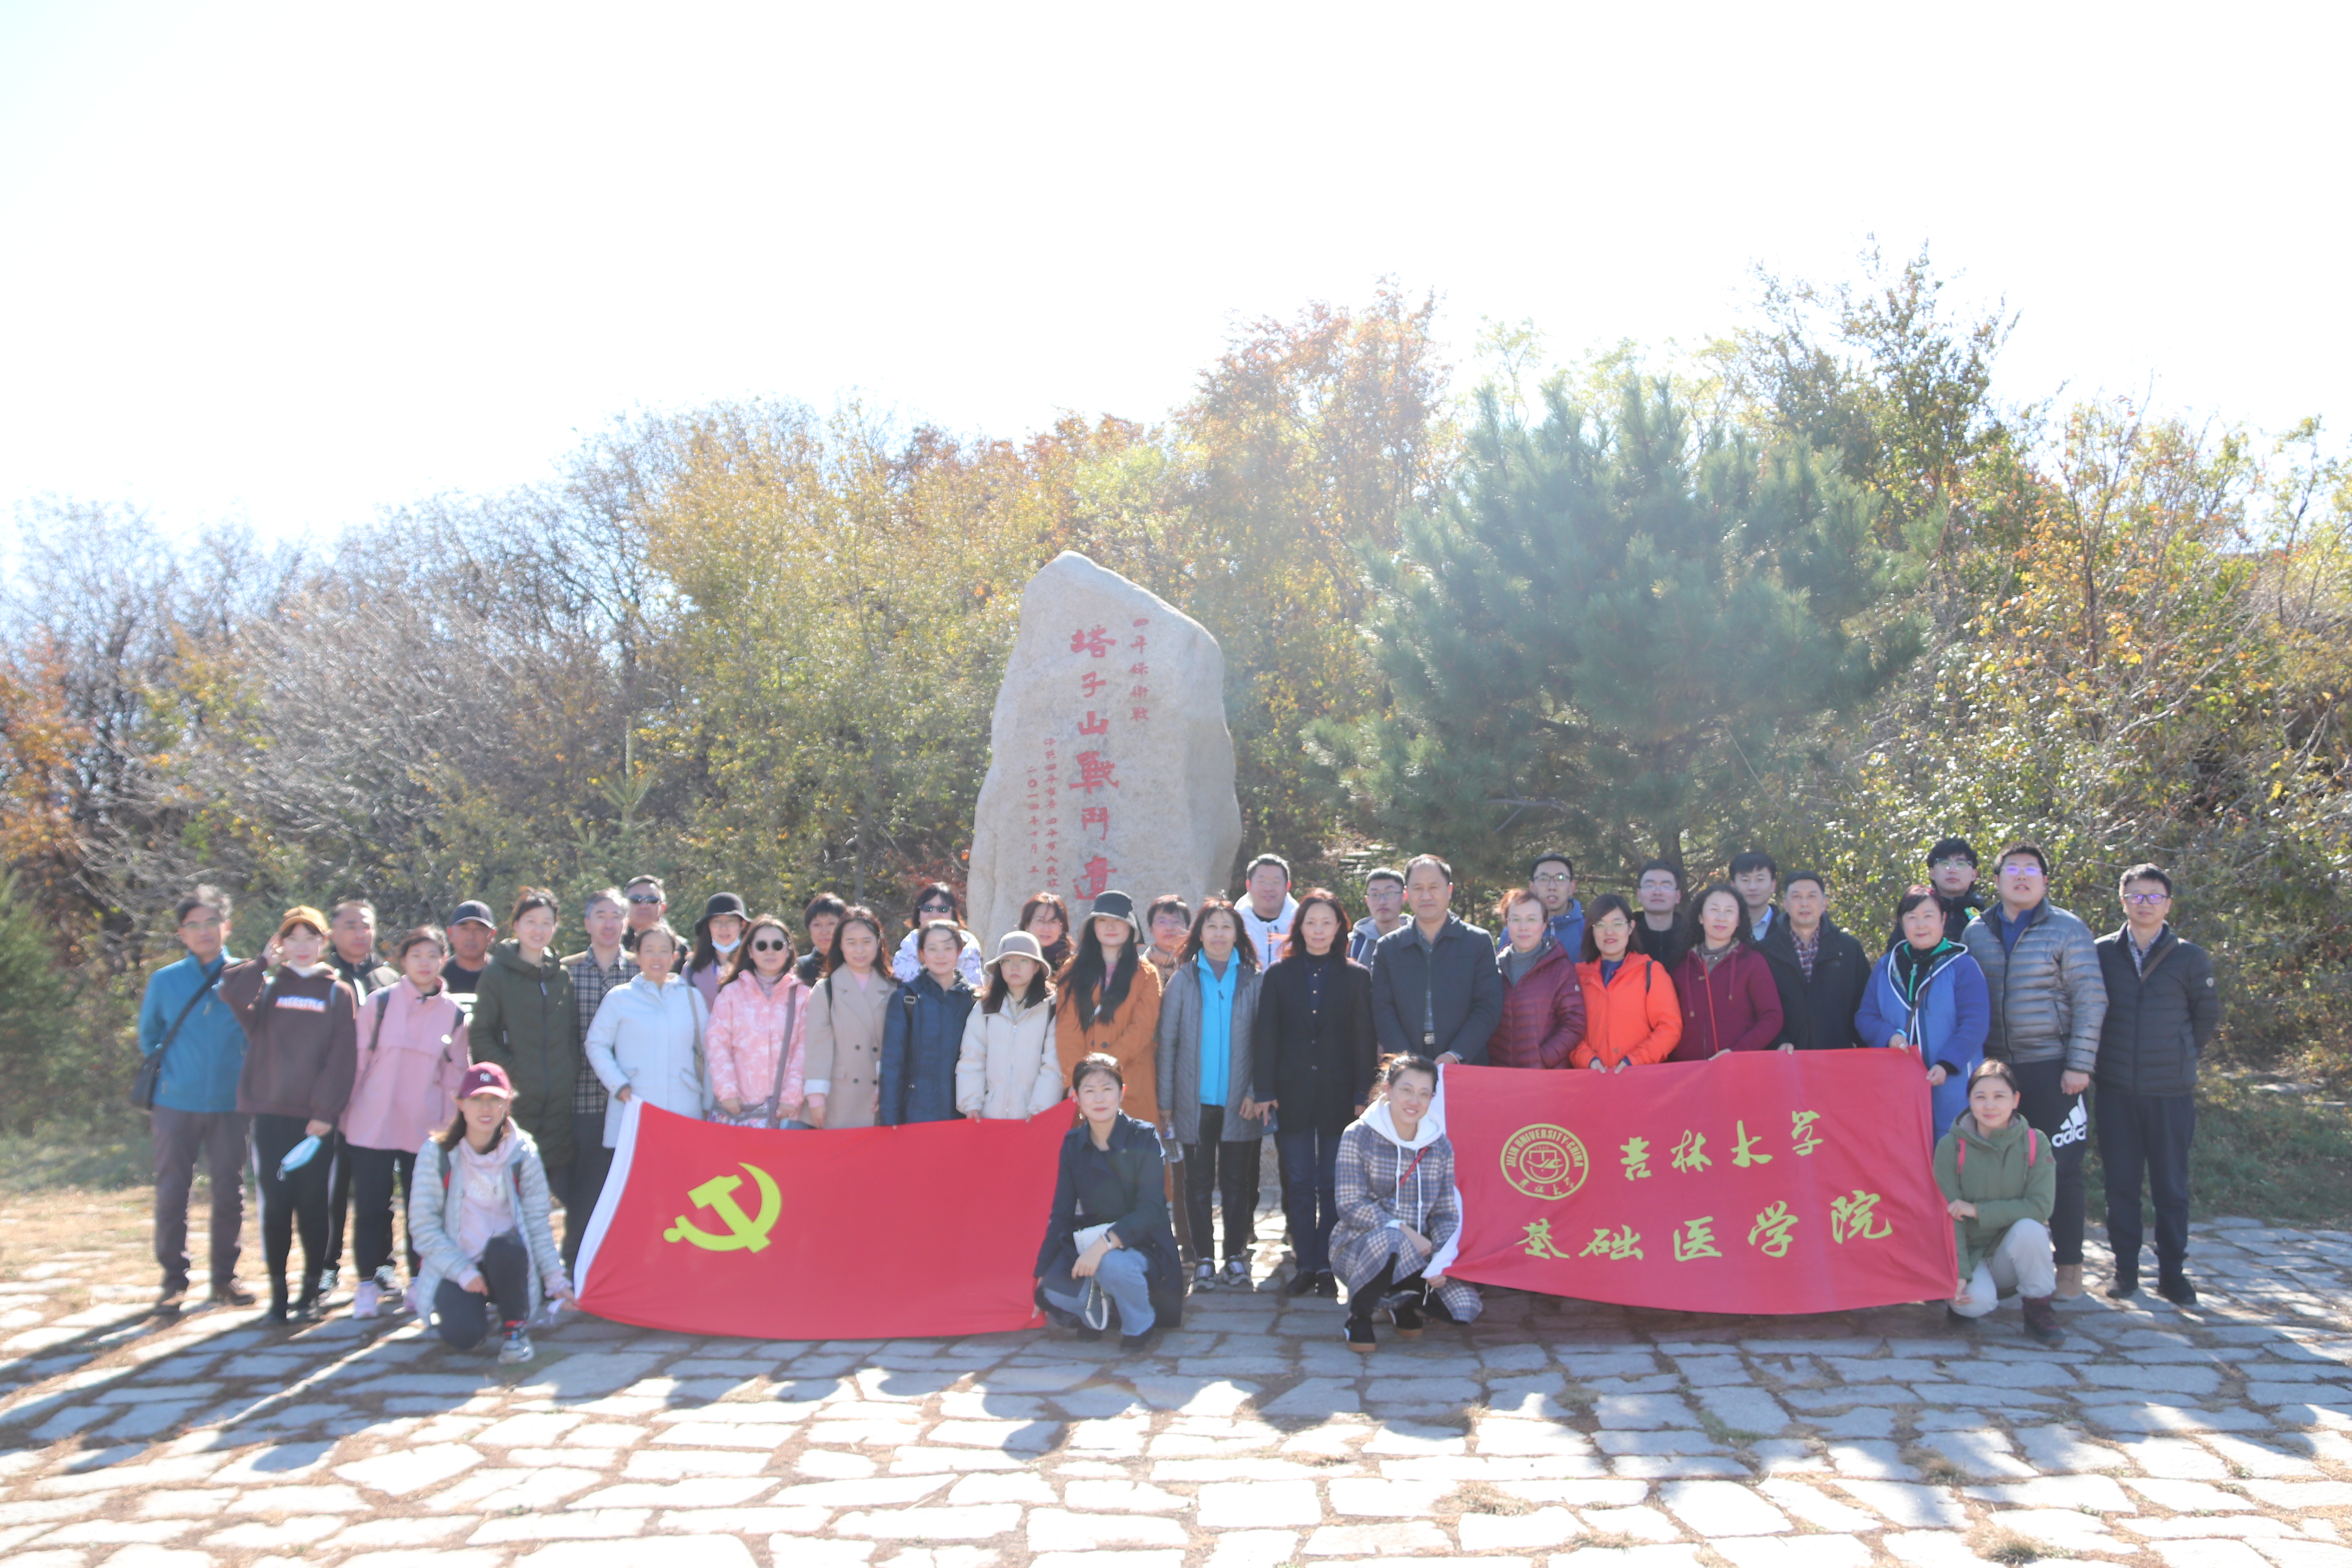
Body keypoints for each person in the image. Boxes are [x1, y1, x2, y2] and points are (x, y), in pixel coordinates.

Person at [1961, 842, 2107, 1299]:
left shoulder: (2067, 928)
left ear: (2045, 880)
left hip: (2054, 1067)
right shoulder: (1976, 931)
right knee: (1996, 1170)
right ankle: (2002, 1264)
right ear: (1996, 879)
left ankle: (2069, 1267)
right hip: (1997, 1072)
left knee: (2061, 1170)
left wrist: (2079, 1065)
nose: (2021, 876)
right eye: (2012, 869)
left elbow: (2091, 999)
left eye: (2031, 869)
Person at [222, 906, 359, 1322]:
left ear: (323, 943)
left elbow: (342, 1057)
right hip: (270, 1115)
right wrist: (262, 961)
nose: (302, 947)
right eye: (292, 938)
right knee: (276, 1208)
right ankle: (279, 1298)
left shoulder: (338, 993)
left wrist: (326, 1112)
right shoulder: (267, 989)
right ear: (281, 943)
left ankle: (310, 1294)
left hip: (315, 1121)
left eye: (310, 938)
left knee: (314, 1206)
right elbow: (230, 992)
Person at [2093, 864, 2222, 1305]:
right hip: (2115, 1089)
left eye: (2154, 897)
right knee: (2121, 1187)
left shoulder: (2189, 957)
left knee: (2171, 1189)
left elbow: (2205, 1017)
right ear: (2122, 901)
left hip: (2170, 1092)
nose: (2144, 904)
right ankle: (2125, 1271)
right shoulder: (2102, 952)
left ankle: (2172, 1274)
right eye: (2136, 896)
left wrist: (2181, 1054)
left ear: (2168, 904)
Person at [1255, 889, 1378, 1298]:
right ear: (1300, 927)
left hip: (1339, 1094)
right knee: (1299, 1181)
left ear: (1339, 927)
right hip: (1290, 1092)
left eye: (1327, 922)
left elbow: (1363, 1038)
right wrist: (1264, 1088)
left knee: (1331, 1183)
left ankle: (1327, 1264)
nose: (1319, 930)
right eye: (1311, 922)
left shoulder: (1356, 975)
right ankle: (1305, 1263)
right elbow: (1266, 1034)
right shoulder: (1279, 974)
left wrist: (1363, 1092)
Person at [342, 926, 470, 1319]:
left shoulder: (454, 1015)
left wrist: (451, 1128)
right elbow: (357, 1062)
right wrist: (342, 1113)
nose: (425, 963)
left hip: (425, 1128)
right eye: (417, 956)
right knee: (371, 1208)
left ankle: (420, 1284)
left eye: (432, 956)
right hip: (372, 1122)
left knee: (424, 1212)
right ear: (403, 961)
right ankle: (368, 1284)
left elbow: (455, 1076)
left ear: (443, 960)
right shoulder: (379, 1003)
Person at [410, 1062, 573, 1364]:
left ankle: (515, 1329)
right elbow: (423, 1227)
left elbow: (537, 1221)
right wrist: (462, 1271)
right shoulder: (436, 1154)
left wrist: (555, 1279)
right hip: (459, 1264)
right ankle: (472, 1315)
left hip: (508, 1261)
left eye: (494, 1099)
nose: (485, 1109)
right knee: (464, 1337)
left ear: (507, 1103)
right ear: (460, 1103)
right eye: (476, 1099)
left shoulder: (523, 1152)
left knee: (505, 1246)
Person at [139, 885, 253, 1309]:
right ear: (181, 933)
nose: (204, 931)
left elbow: (264, 1033)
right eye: (194, 924)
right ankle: (173, 1280)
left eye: (212, 922)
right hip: (175, 1103)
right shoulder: (165, 980)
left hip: (231, 1103)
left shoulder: (247, 975)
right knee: (173, 1190)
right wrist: (175, 1074)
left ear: (227, 926)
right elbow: (149, 1036)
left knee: (229, 1191)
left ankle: (226, 1277)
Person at [1331, 1054, 1482, 1352]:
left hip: (1419, 1253)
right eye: (1406, 1090)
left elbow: (1445, 1213)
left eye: (1424, 1094)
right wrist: (1403, 1230)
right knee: (1392, 1240)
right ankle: (1359, 1316)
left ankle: (1401, 1303)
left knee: (1465, 1308)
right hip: (1360, 1246)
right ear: (1388, 1089)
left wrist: (1441, 1260)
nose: (1414, 1101)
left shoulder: (1440, 1145)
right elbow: (1350, 1204)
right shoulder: (1359, 1135)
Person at [1035, 1054, 1183, 1350]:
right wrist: (1042, 1272)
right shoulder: (1072, 1144)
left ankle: (1139, 1323)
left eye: (1107, 1089)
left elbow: (1152, 1209)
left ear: (1122, 1092)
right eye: (1089, 1091)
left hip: (1144, 1242)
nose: (1099, 1098)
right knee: (1049, 1292)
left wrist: (1103, 1245)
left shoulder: (1144, 1137)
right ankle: (1100, 1312)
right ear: (1076, 1097)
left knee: (1112, 1265)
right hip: (1093, 1239)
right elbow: (1061, 1213)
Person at [1155, 899, 1266, 1289]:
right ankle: (1203, 1257)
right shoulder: (1183, 980)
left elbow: (1265, 1043)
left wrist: (1256, 1091)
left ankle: (1235, 1256)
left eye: (1226, 927)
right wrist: (1166, 1102)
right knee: (1197, 1183)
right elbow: (1167, 1044)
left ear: (1238, 934)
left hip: (1241, 1102)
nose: (1219, 934)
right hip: (1193, 1102)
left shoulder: (1254, 980)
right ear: (1199, 934)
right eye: (1212, 926)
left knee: (1238, 1183)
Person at [469, 888, 579, 1243]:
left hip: (559, 1110)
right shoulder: (497, 974)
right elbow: (481, 1034)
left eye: (546, 922)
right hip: (517, 1107)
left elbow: (572, 1035)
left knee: (564, 1205)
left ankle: (560, 1271)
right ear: (515, 925)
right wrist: (512, 1074)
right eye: (531, 921)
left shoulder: (562, 976)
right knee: (510, 1206)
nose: (538, 929)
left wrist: (566, 1074)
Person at [1936, 1061, 2062, 1346]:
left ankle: (2039, 1308)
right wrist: (1959, 1272)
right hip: (1969, 1251)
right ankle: (1960, 1299)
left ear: (2016, 1100)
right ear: (1969, 1101)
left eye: (1999, 1096)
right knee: (1975, 1304)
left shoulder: (2035, 1142)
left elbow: (2040, 1206)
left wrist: (1977, 1211)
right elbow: (1946, 1214)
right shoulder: (1950, 1146)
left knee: (2032, 1230)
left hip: (2010, 1250)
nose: (1990, 1105)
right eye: (1980, 1097)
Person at [1857, 888, 1990, 1142]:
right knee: (1904, 1152)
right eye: (1912, 917)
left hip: (1954, 1084)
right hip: (1899, 1087)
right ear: (1901, 922)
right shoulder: (1887, 966)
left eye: (1929, 916)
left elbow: (1975, 1024)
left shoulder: (1962, 965)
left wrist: (1947, 1064)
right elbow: (1866, 1016)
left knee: (1954, 1151)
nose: (1921, 925)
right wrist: (1888, 1036)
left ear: (1943, 919)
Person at [558, 888, 633, 1269]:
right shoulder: (565, 971)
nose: (609, 923)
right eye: (601, 915)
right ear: (587, 923)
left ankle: (623, 1265)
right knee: (584, 1192)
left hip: (632, 1101)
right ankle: (577, 1265)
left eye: (616, 915)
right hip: (582, 1098)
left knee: (629, 1190)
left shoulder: (641, 969)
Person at [1370, 855, 1504, 1067]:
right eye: (1418, 888)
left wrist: (1457, 1054)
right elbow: (1382, 1010)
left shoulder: (1477, 942)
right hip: (1405, 1065)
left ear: (1449, 890)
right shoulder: (1388, 948)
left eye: (1434, 887)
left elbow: (1488, 1006)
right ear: (1407, 894)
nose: (1426, 896)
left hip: (1465, 1063)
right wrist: (1405, 1059)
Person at [585, 923, 711, 1140]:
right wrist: (618, 1084)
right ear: (638, 956)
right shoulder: (619, 998)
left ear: (674, 957)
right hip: (634, 1105)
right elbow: (596, 1044)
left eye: (664, 951)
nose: (656, 957)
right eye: (649, 950)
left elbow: (709, 1052)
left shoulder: (692, 998)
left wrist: (708, 1104)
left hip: (684, 1108)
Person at [1054, 891, 1167, 1124]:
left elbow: (1142, 1029)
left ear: (1131, 927)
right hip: (1083, 1086)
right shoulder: (1072, 969)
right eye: (1103, 920)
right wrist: (1078, 1078)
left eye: (1118, 921)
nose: (1110, 927)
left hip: (1131, 1080)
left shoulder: (1147, 973)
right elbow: (1067, 1029)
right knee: (1085, 1145)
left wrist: (1104, 1071)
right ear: (1093, 926)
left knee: (1133, 1145)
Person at [706, 914, 811, 1128]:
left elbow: (806, 1049)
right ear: (750, 951)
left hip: (787, 1114)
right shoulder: (731, 994)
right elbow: (717, 1043)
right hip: (738, 1112)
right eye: (762, 946)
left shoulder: (805, 996)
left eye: (777, 945)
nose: (770, 951)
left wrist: (791, 1097)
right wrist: (727, 1092)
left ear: (788, 950)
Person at [956, 932, 1064, 1120]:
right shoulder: (985, 1007)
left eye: (1024, 961)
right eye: (1007, 961)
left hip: (1034, 1118)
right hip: (988, 1116)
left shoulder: (1052, 1009)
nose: (1015, 967)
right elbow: (972, 1058)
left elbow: (1053, 1065)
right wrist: (971, 1103)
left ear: (1036, 967)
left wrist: (1039, 1109)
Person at [1668, 883, 1783, 1060]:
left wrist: (1738, 1052)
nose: (1721, 918)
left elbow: (1772, 1017)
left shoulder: (1752, 962)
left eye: (1729, 911)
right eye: (1714, 910)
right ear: (1701, 917)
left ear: (1738, 921)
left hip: (1738, 1067)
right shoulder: (1681, 966)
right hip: (1688, 1070)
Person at [880, 921, 979, 1125]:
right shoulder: (906, 998)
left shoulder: (974, 1000)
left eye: (948, 948)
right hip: (915, 1112)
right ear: (922, 954)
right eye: (932, 949)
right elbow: (892, 1063)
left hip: (962, 1112)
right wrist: (889, 1117)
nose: (940, 955)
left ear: (959, 952)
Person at [1757, 872, 1868, 1052]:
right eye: (1796, 897)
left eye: (1812, 896)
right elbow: (1758, 1009)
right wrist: (1778, 1042)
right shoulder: (1765, 951)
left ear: (1824, 903)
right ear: (1785, 904)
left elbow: (1865, 1005)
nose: (1804, 903)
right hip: (1785, 1057)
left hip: (1838, 1056)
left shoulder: (1848, 949)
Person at [803, 906, 893, 1129]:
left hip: (879, 1095)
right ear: (840, 945)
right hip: (838, 1096)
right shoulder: (826, 989)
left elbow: (896, 1047)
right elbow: (817, 1047)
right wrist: (816, 1097)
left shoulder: (894, 989)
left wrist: (889, 1086)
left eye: (866, 941)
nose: (859, 950)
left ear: (878, 943)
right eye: (851, 942)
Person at [1573, 894, 1682, 1071]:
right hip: (1590, 1078)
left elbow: (1670, 1028)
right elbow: (1567, 1028)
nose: (1609, 932)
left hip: (1638, 1077)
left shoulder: (1651, 972)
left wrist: (1635, 1061)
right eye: (1600, 924)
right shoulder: (1577, 976)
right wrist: (1586, 1060)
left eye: (1617, 924)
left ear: (1631, 927)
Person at [1489, 889, 1586, 1070]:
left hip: (1546, 1076)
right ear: (1507, 923)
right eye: (1516, 919)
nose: (1523, 927)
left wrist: (1543, 1058)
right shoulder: (1494, 968)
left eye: (1532, 919)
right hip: (1501, 1076)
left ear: (1544, 924)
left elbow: (1574, 1024)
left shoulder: (1561, 969)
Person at [1504, 852, 1585, 962]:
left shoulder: (1587, 932)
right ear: (1532, 887)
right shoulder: (1515, 931)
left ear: (1572, 887)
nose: (1552, 887)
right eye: (1544, 879)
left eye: (1560, 879)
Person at [685, 891, 749, 1011]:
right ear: (708, 926)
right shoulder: (690, 970)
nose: (724, 928)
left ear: (742, 925)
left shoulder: (756, 965)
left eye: (731, 921)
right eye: (716, 922)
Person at [1238, 854, 1299, 971]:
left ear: (1288, 886)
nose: (1268, 888)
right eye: (1262, 881)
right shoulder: (1235, 925)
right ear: (1248, 885)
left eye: (1276, 882)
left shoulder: (1302, 926)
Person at [1631, 860, 1688, 972]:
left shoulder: (1692, 936)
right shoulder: (1627, 936)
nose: (1657, 892)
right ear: (1639, 895)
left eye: (1666, 886)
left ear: (1678, 896)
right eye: (1650, 886)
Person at [1928, 837, 1987, 944]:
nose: (1952, 870)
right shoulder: (1917, 913)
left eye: (1961, 864)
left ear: (1974, 874)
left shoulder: (1987, 918)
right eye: (1945, 863)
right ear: (1932, 873)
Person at [1350, 867, 1407, 966]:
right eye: (1375, 895)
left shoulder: (1419, 939)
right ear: (1367, 900)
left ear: (1404, 897)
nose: (1382, 902)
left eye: (1389, 894)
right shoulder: (1353, 943)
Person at [443, 901, 496, 999]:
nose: (471, 937)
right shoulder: (437, 977)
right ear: (450, 934)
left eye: (479, 929)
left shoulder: (505, 975)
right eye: (464, 929)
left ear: (492, 935)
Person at [1142, 895, 1192, 992]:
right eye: (1162, 922)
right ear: (1151, 929)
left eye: (1176, 921)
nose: (1169, 928)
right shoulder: (1140, 967)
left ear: (1187, 928)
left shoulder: (1195, 966)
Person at [796, 894, 847, 988]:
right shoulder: (799, 968)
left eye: (831, 923)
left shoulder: (855, 964)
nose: (824, 931)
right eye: (817, 925)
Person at [1729, 851, 1779, 943]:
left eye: (1760, 879)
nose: (1753, 887)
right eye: (1745, 880)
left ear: (1773, 886)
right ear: (1733, 886)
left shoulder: (1787, 928)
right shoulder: (1723, 926)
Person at [1021, 891, 1076, 975]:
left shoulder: (1073, 965)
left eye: (1053, 922)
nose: (1046, 929)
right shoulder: (1013, 959)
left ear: (1062, 927)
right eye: (1040, 921)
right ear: (1027, 925)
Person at [620, 874, 667, 953]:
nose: (644, 906)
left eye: (652, 900)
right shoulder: (612, 943)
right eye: (635, 900)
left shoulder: (678, 948)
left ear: (663, 908)